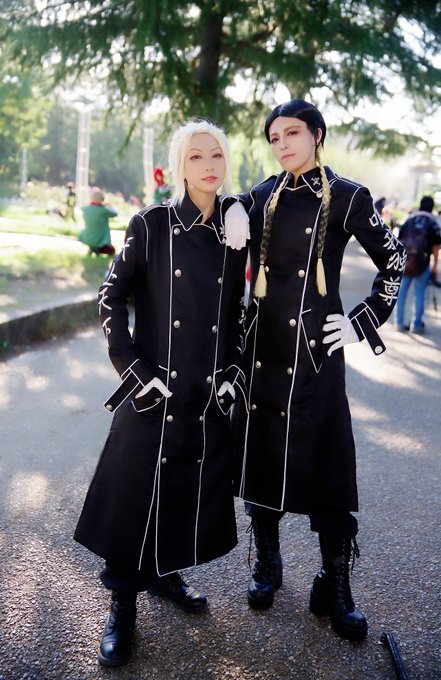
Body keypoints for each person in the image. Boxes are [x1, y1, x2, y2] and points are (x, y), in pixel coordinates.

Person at [74, 120, 249, 667]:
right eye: (196, 156)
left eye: (216, 154)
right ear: (179, 166)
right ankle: (122, 607)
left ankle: (165, 574)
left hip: (204, 391)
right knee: (133, 499)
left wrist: (231, 373)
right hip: (154, 387)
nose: (209, 165)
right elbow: (110, 296)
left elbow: (240, 312)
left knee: (182, 489)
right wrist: (131, 369)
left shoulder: (235, 230)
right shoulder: (151, 224)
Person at [233, 99, 406, 642]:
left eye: (292, 133)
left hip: (317, 355)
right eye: (274, 137)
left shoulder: (349, 196)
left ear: (317, 134)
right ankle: (268, 562)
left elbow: (395, 259)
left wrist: (363, 321)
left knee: (328, 466)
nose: (282, 144)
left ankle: (335, 582)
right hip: (263, 352)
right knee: (263, 458)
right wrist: (229, 212)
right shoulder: (259, 195)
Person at [395, 195, 441, 334]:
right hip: (422, 265)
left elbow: (398, 241)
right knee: (420, 294)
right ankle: (416, 325)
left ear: (420, 205)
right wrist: (434, 267)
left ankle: (399, 323)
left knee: (401, 293)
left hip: (405, 263)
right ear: (432, 207)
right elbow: (436, 248)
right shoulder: (433, 223)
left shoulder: (409, 220)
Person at [78, 187, 117, 255]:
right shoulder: (103, 210)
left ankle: (93, 248)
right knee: (112, 250)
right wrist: (110, 206)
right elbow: (115, 213)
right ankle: (97, 249)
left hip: (87, 237)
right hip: (100, 239)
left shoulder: (86, 209)